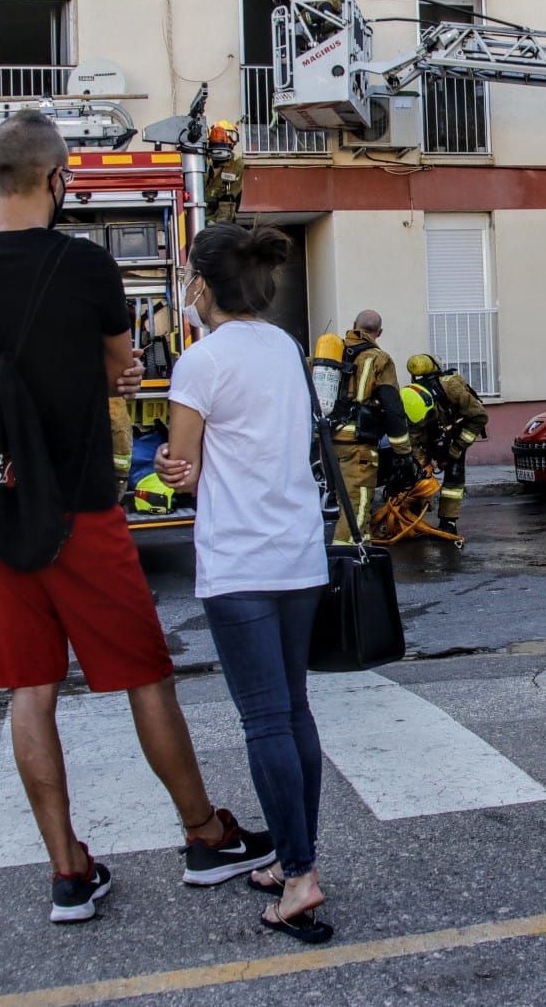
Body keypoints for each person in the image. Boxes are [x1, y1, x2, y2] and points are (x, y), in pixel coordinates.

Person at [0, 111, 273, 925]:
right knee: (143, 675)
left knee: (31, 689)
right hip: (80, 504)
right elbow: (123, 366)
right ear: (57, 180)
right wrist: (99, 373)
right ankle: (204, 835)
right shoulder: (85, 266)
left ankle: (69, 871)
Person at [154, 223, 334, 944]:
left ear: (202, 285)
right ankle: (298, 858)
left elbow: (184, 465)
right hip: (298, 556)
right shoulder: (286, 345)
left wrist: (172, 468)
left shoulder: (201, 362)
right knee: (294, 711)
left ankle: (298, 876)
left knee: (263, 720)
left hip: (239, 563)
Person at [327, 310, 410, 543]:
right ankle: (349, 560)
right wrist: (403, 452)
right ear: (379, 333)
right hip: (358, 445)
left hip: (328, 441)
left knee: (343, 501)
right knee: (357, 505)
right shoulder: (379, 359)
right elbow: (393, 408)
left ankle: (360, 553)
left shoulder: (331, 352)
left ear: (354, 325)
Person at [404, 352, 489, 536]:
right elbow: (414, 436)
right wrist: (419, 464)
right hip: (430, 435)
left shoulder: (452, 387)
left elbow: (479, 416)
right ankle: (410, 519)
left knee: (453, 478)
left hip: (456, 433)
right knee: (417, 473)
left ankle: (448, 522)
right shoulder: (411, 398)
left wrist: (456, 447)